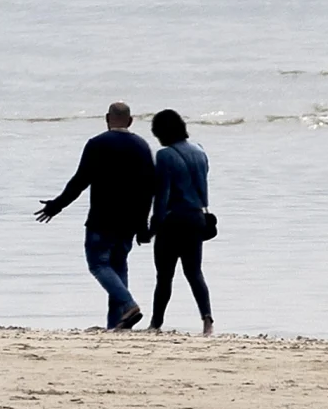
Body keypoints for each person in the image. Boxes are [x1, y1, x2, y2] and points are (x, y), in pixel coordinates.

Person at [37, 103, 155, 328]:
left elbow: (80, 181)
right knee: (118, 268)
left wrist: (56, 205)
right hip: (129, 221)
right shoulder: (142, 146)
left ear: (107, 118)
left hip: (103, 218)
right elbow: (149, 189)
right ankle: (117, 324)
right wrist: (143, 224)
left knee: (98, 264)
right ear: (130, 121)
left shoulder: (97, 144)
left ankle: (129, 305)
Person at [143, 108, 214, 332]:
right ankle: (207, 320)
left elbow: (161, 196)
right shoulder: (200, 151)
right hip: (197, 218)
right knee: (194, 272)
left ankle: (156, 324)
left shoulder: (164, 155)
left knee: (164, 276)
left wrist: (152, 228)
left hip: (173, 221)